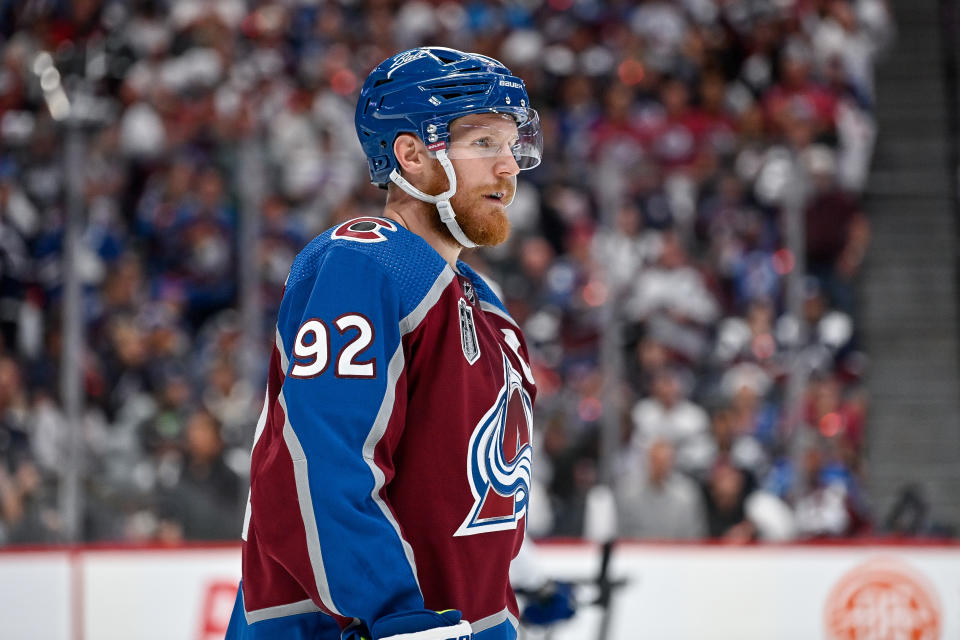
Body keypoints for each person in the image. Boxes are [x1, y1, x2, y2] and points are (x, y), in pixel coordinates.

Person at [226, 47, 543, 640]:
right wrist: (396, 616)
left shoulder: (485, 302)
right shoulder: (365, 259)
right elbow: (320, 457)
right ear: (412, 154)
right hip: (358, 628)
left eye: (512, 144)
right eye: (483, 144)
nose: (509, 166)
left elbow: (479, 502)